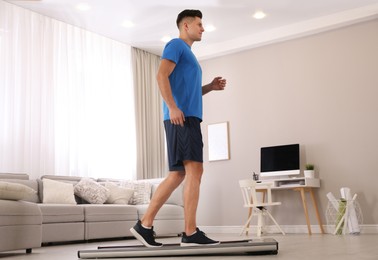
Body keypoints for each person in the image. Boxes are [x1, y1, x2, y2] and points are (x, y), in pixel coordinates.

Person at [130, 9, 226, 248]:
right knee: (195, 171)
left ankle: (144, 225)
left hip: (184, 116)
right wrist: (172, 107)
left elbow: (187, 90)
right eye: (199, 24)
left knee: (178, 174)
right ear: (186, 26)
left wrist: (209, 87)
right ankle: (190, 232)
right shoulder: (176, 45)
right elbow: (161, 75)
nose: (203, 28)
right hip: (182, 118)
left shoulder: (188, 55)